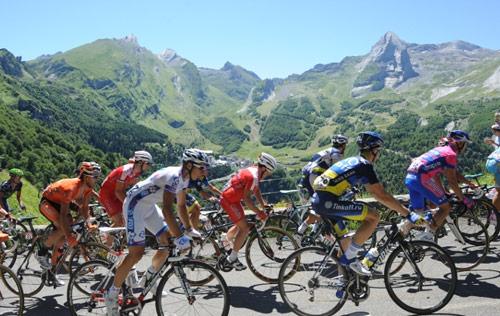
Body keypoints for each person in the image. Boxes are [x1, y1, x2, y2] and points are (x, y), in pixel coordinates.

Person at [105, 148, 209, 316]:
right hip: (135, 205)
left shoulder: (184, 178)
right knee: (136, 253)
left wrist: (190, 230)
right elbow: (168, 210)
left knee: (167, 244)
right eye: (202, 167)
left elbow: (181, 206)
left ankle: (149, 278)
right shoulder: (174, 177)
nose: (204, 171)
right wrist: (181, 236)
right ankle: (111, 293)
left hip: (149, 206)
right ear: (189, 165)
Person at [312, 132, 417, 276]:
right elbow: (380, 195)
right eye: (378, 151)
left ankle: (343, 284)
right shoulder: (364, 165)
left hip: (320, 200)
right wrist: (407, 214)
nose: (378, 155)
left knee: (344, 242)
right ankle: (350, 259)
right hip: (328, 202)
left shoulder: (352, 160)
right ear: (374, 150)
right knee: (374, 216)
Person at [36, 162, 102, 286]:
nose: (97, 179)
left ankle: (51, 271)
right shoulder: (71, 187)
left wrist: (88, 224)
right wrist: (70, 236)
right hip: (48, 202)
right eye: (95, 176)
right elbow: (62, 216)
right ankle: (41, 252)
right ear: (87, 176)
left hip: (60, 201)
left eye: (98, 176)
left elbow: (85, 208)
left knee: (63, 238)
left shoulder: (88, 188)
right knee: (63, 227)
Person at [405, 130, 474, 240]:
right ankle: (428, 236)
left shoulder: (440, 150)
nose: (465, 147)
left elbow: (451, 174)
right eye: (464, 144)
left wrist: (468, 183)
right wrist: (463, 198)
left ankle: (400, 232)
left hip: (410, 177)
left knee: (418, 213)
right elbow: (452, 181)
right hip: (421, 179)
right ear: (459, 143)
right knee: (445, 208)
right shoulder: (450, 154)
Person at [219, 152, 277, 270]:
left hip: (232, 198)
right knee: (244, 228)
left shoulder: (253, 170)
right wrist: (259, 212)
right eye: (268, 173)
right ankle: (232, 258)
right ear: (264, 168)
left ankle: (225, 239)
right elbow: (247, 200)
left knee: (241, 223)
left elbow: (256, 190)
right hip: (229, 200)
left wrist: (263, 205)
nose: (267, 176)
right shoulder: (254, 176)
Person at [98, 151, 153, 244]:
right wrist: (130, 204)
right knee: (119, 220)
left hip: (118, 193)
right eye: (148, 164)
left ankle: (109, 240)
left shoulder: (137, 171)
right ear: (140, 162)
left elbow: (136, 187)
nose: (149, 166)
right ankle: (105, 247)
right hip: (107, 194)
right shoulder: (125, 171)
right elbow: (118, 191)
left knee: (125, 219)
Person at [297, 135, 348, 235]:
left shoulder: (327, 151)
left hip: (307, 177)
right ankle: (301, 231)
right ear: (343, 145)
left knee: (320, 206)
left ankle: (314, 232)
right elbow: (339, 173)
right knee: (323, 205)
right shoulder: (337, 154)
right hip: (316, 177)